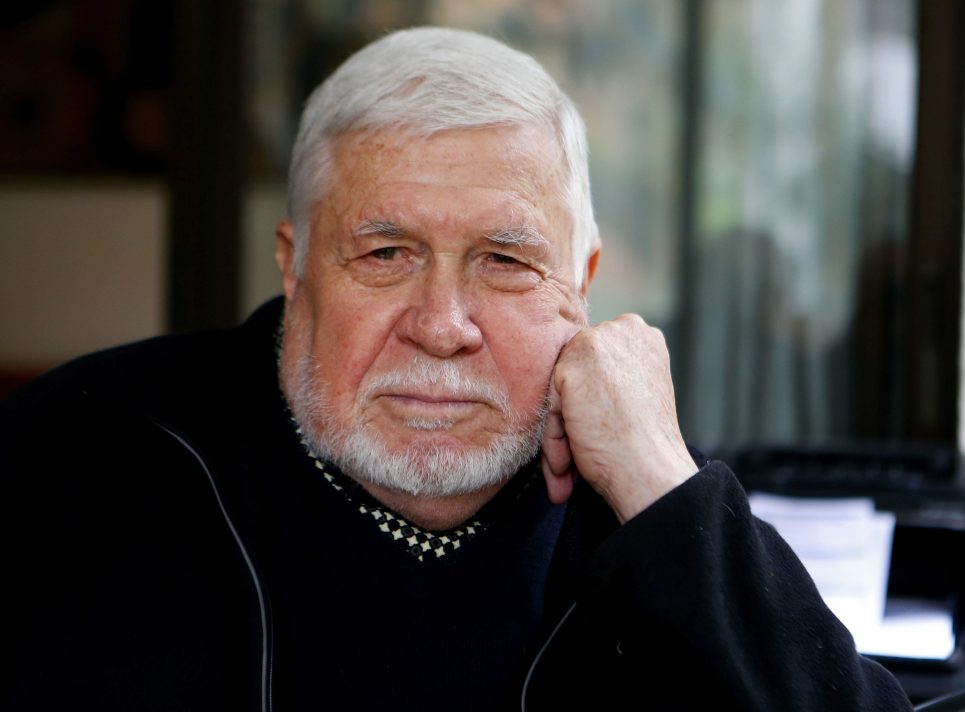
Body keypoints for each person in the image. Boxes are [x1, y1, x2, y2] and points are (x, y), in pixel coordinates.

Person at [0, 27, 913, 711]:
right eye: (385, 253)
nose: (442, 328)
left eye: (505, 261)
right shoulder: (84, 455)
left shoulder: (649, 511)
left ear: (582, 282)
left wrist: (666, 489)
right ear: (294, 263)